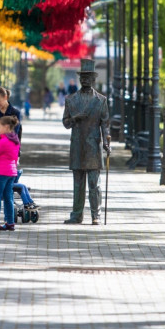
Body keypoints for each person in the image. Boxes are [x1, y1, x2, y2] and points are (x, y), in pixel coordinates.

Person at [62, 59, 110, 225]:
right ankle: (76, 215)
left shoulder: (101, 100)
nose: (85, 79)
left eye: (88, 77)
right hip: (77, 145)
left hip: (93, 146)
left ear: (94, 79)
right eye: (83, 76)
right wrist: (75, 118)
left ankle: (95, 215)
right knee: (78, 184)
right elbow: (66, 123)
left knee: (94, 184)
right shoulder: (71, 100)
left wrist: (106, 143)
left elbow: (105, 123)